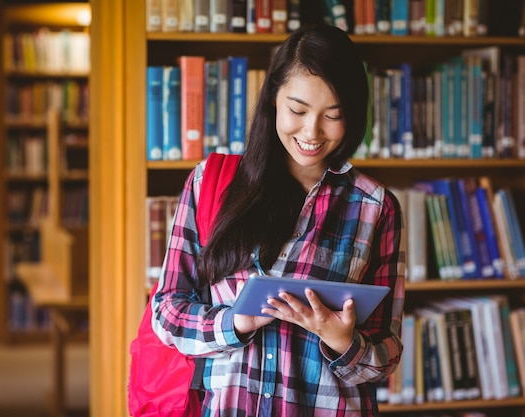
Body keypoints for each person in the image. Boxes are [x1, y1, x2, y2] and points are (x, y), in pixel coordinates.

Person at [151, 23, 405, 417]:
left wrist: (344, 342)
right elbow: (167, 312)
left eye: (332, 115)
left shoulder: (376, 206)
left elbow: (385, 355)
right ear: (273, 99)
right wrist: (233, 323)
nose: (312, 131)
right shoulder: (211, 183)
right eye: (297, 110)